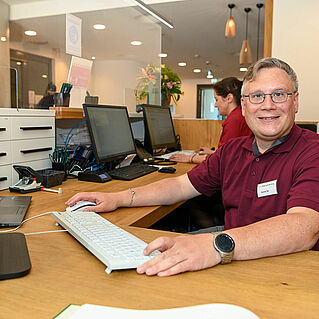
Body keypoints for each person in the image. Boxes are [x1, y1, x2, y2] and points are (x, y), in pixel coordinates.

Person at [66, 57, 319, 277]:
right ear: (244, 106)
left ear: (295, 102)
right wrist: (118, 198)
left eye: (279, 95)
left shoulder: (312, 151)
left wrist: (213, 246)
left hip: (285, 268)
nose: (267, 105)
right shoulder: (233, 151)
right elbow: (179, 185)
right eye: (257, 96)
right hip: (231, 254)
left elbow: (304, 227)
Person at [170, 77, 252, 164]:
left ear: (229, 98)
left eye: (216, 99)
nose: (215, 105)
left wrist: (191, 158)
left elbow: (223, 159)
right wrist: (212, 153)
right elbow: (231, 153)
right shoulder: (239, 115)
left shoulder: (234, 120)